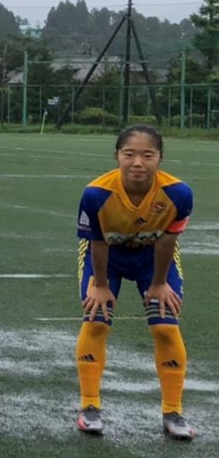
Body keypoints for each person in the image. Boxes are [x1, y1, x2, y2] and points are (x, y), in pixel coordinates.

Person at [74, 125, 195, 441]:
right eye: (129, 154)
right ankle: (90, 406)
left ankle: (173, 411)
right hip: (106, 258)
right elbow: (97, 242)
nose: (138, 162)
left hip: (153, 258)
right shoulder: (96, 194)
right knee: (96, 321)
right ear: (117, 156)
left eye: (147, 155)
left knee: (166, 326)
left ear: (160, 158)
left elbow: (167, 242)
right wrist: (101, 285)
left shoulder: (179, 193)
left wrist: (159, 283)